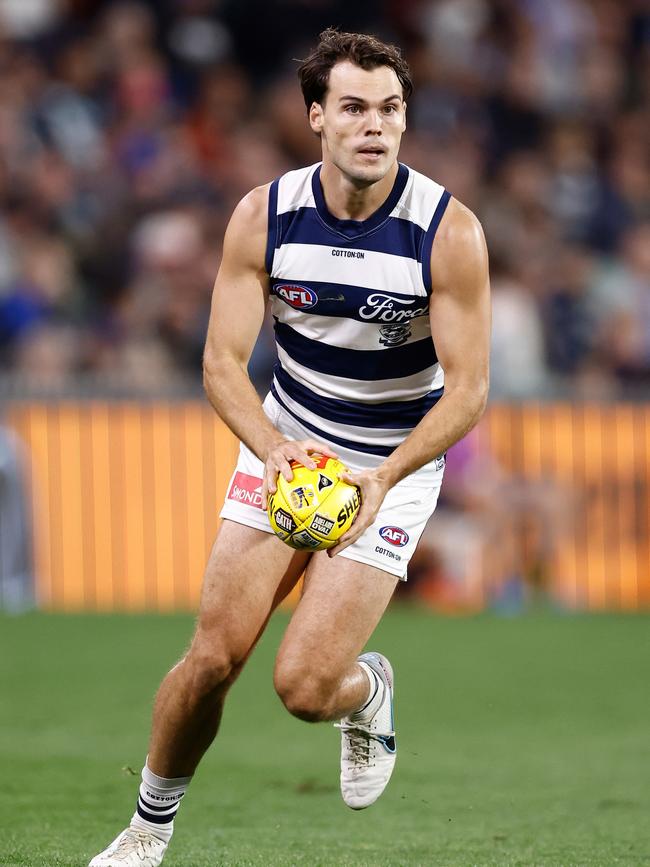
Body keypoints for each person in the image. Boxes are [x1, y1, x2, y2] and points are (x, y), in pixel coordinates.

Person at [89, 28, 490, 867]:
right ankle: (144, 835)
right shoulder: (264, 215)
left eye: (389, 109)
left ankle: (365, 690)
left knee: (304, 688)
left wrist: (385, 476)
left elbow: (469, 390)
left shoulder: (447, 231)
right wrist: (271, 448)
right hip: (289, 444)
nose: (373, 125)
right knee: (212, 657)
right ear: (316, 117)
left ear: (405, 120)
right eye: (352, 107)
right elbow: (221, 364)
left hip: (390, 465)